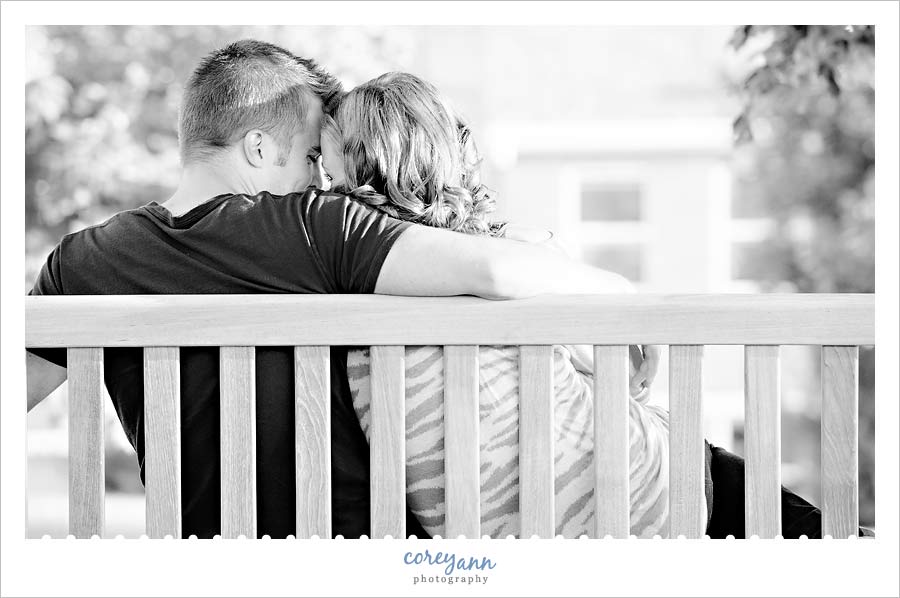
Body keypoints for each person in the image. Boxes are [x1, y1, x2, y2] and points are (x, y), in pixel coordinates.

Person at [25, 40, 648, 539]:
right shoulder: (310, 226)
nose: (320, 180)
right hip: (363, 558)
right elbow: (493, 271)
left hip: (199, 563)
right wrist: (623, 293)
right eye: (309, 160)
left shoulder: (84, 262)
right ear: (259, 146)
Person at [313, 71, 871, 539]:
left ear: (358, 165)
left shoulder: (345, 279)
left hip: (510, 546)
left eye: (326, 161)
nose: (319, 177)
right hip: (653, 499)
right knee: (820, 535)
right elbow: (627, 373)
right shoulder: (519, 259)